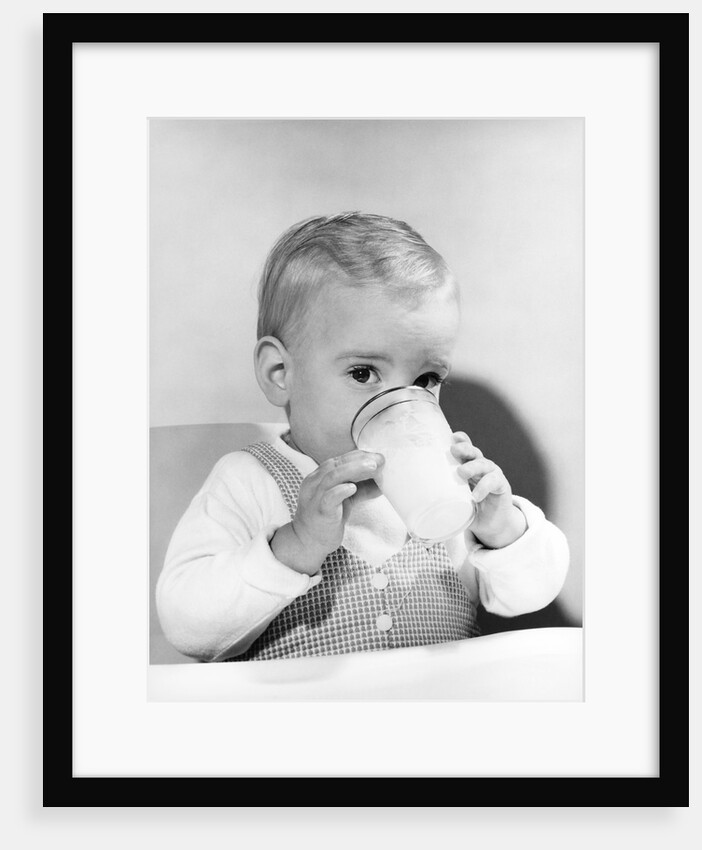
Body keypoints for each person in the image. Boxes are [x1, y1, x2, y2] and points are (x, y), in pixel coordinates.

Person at [156, 212, 569, 662]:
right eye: (363, 373)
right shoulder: (249, 480)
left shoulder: (443, 483)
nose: (399, 404)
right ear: (281, 374)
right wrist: (296, 545)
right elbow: (186, 624)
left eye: (427, 378)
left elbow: (531, 594)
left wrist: (502, 529)